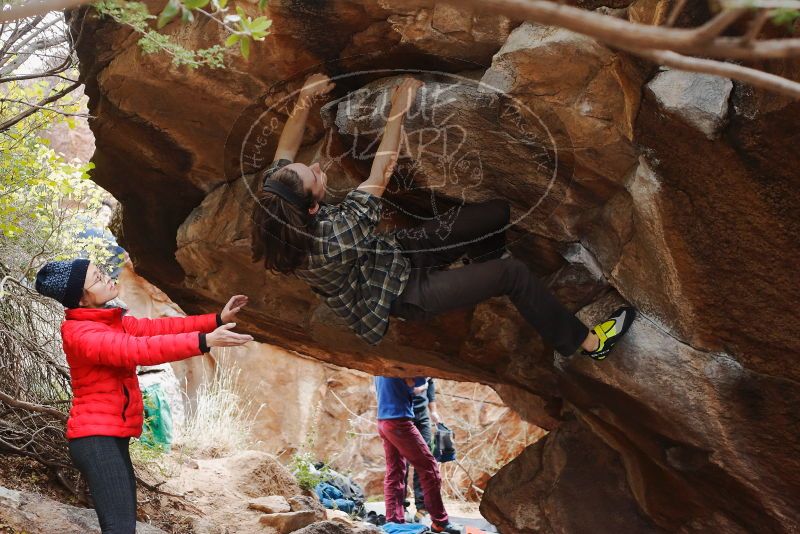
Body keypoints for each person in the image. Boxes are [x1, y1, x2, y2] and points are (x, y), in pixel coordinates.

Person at [250, 73, 635, 360]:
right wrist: (399, 106)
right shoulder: (334, 235)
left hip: (393, 253)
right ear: (312, 208)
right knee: (513, 274)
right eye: (314, 177)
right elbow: (380, 174)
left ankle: (483, 266)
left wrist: (304, 98)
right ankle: (587, 343)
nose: (315, 168)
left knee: (494, 213)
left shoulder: (277, 197)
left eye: (307, 167)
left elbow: (284, 150)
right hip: (400, 293)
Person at [34, 259, 253, 533]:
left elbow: (157, 329)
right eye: (97, 278)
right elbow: (139, 350)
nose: (107, 278)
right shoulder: (81, 333)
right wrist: (203, 342)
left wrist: (215, 320)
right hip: (95, 441)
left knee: (123, 527)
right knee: (120, 528)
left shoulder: (110, 322)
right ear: (81, 297)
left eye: (101, 271)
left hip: (110, 438)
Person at [375, 376, 462, 534]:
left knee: (395, 471)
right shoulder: (401, 362)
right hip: (399, 421)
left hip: (383, 420)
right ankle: (440, 522)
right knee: (429, 468)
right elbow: (416, 386)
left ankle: (394, 522)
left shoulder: (382, 364)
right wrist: (425, 378)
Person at [404, 378, 439, 523]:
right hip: (404, 413)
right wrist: (419, 387)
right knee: (402, 461)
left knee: (424, 460)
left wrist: (434, 412)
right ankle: (401, 506)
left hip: (422, 415)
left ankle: (422, 507)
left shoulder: (427, 371)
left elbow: (430, 386)